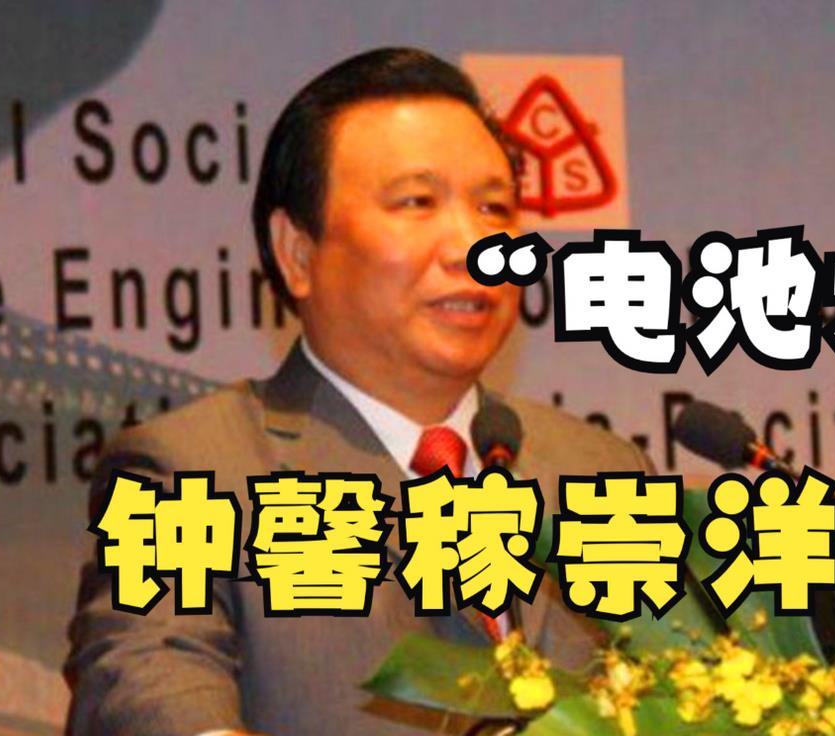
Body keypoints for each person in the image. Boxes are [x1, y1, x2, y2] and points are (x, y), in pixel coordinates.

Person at [64, 47, 653, 736]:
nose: (473, 245)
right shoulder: (191, 470)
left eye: (494, 207)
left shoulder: (600, 472)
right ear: (297, 253)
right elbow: (144, 675)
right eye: (417, 202)